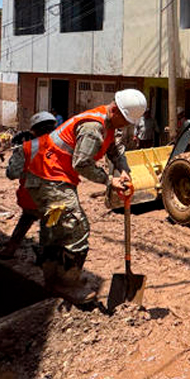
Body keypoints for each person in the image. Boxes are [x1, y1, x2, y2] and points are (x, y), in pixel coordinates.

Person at [24, 89, 147, 303]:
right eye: (125, 120)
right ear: (115, 109)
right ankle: (67, 283)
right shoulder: (93, 128)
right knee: (76, 228)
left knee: (55, 228)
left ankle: (51, 279)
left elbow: (115, 149)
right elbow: (81, 163)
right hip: (48, 176)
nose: (126, 125)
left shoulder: (110, 122)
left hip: (53, 176)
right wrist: (110, 181)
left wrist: (123, 169)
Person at [0, 111, 58, 260]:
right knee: (49, 225)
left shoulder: (25, 148)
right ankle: (44, 256)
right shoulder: (65, 147)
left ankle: (10, 249)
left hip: (29, 199)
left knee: (26, 218)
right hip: (54, 200)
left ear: (33, 129)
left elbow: (11, 173)